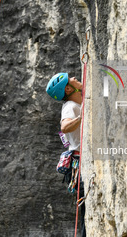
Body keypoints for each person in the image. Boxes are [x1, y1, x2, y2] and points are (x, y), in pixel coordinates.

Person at [46, 73, 86, 237]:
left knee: (86, 210)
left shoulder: (77, 103)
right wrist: (82, 117)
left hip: (78, 162)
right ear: (68, 88)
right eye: (72, 79)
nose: (76, 78)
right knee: (85, 211)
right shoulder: (70, 106)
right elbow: (65, 126)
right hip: (78, 164)